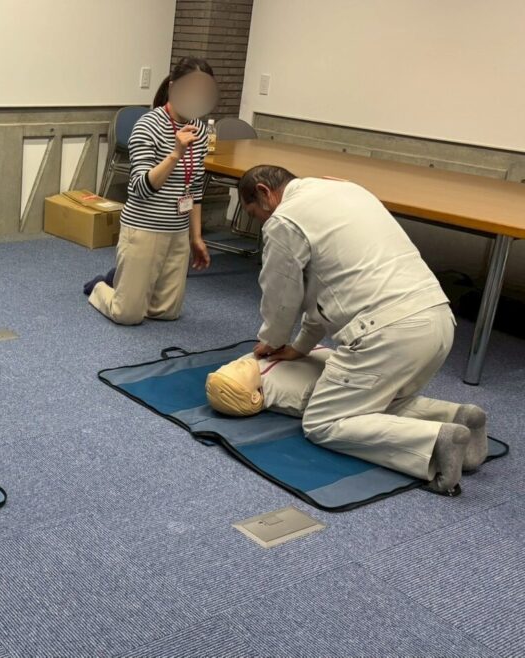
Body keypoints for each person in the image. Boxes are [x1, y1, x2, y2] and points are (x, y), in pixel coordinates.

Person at [238, 165, 487, 495]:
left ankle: (434, 440)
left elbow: (281, 295)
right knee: (370, 402)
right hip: (438, 320)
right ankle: (457, 417)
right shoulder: (347, 189)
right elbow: (323, 289)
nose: (260, 223)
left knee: (323, 421)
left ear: (263, 193)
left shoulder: (284, 220)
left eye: (254, 214)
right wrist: (299, 347)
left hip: (387, 333)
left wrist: (272, 340)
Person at [205, 349, 489, 476]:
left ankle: (436, 436)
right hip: (362, 360)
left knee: (335, 424)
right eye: (233, 373)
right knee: (384, 403)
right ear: (255, 396)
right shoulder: (275, 388)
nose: (233, 366)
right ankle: (453, 416)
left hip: (352, 370)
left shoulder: (259, 365)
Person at [84, 56, 215, 324]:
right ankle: (100, 286)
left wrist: (196, 237)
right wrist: (175, 153)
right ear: (173, 87)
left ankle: (123, 280)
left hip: (177, 230)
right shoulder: (147, 125)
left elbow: (195, 188)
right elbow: (140, 188)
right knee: (127, 314)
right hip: (144, 227)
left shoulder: (200, 130)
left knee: (166, 312)